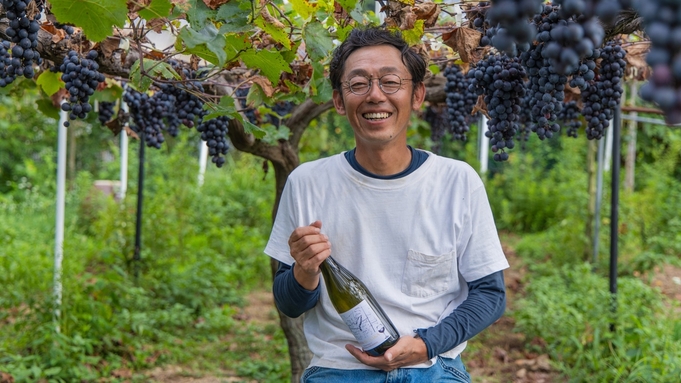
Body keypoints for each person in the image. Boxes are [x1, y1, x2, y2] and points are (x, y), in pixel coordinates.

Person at [264, 27, 509, 382]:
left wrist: (426, 345)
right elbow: (288, 304)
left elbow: (490, 294)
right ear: (338, 100)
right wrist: (304, 271)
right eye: (358, 84)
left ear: (417, 94)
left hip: (433, 367)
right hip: (339, 370)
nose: (375, 95)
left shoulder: (457, 182)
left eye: (390, 82)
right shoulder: (307, 183)